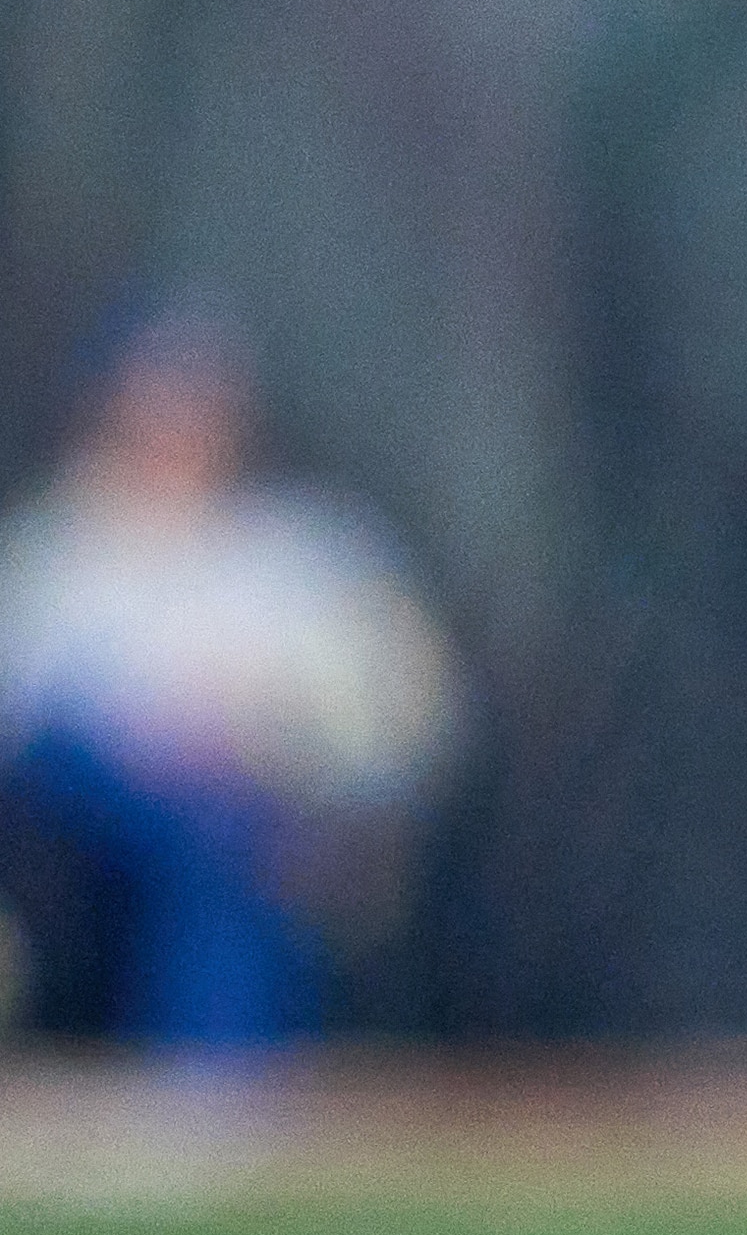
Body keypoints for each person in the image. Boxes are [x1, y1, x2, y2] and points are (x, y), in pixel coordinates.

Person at [0, 308, 460, 1046]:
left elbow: (404, 713)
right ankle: (221, 1091)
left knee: (236, 844)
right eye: (156, 401)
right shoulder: (55, 551)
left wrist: (281, 746)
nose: (177, 426)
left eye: (198, 402)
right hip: (88, 809)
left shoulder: (306, 551)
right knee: (214, 836)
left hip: (269, 794)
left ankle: (218, 1103)